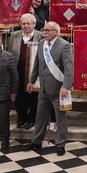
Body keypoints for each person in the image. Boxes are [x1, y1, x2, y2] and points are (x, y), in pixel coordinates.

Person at [24, 22, 73, 156]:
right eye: (44, 29)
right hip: (44, 88)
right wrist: (31, 81)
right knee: (40, 116)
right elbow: (37, 65)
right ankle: (36, 141)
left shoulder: (65, 45)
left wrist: (66, 87)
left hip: (59, 89)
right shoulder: (41, 44)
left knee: (60, 118)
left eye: (48, 30)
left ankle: (60, 144)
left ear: (56, 32)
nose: (45, 32)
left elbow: (69, 68)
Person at [7, 14, 43, 130]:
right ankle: (22, 118)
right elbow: (9, 52)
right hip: (18, 71)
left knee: (33, 97)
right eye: (23, 23)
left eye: (29, 23)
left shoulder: (41, 36)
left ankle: (32, 119)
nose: (26, 26)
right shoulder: (14, 36)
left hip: (34, 73)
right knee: (19, 97)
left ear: (34, 24)